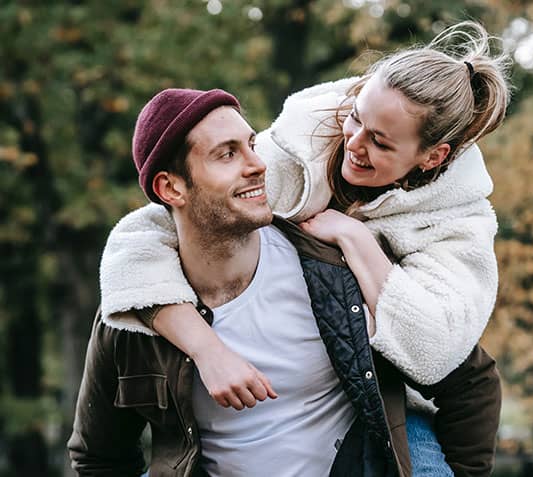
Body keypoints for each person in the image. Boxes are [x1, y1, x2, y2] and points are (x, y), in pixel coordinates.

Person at [96, 21, 507, 476]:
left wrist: (356, 240)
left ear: (433, 157)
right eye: (356, 118)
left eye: (380, 142)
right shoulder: (298, 152)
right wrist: (207, 349)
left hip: (383, 400)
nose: (354, 143)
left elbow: (445, 358)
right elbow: (153, 233)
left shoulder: (454, 223)